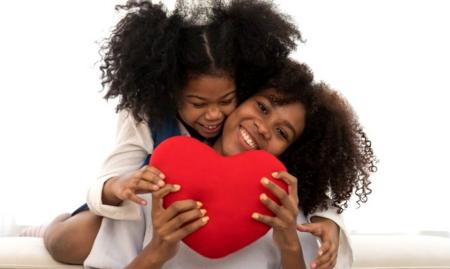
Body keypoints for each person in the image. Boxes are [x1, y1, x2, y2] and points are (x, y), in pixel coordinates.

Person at [41, 0, 349, 266]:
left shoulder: (279, 193)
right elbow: (111, 177)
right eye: (263, 108)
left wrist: (329, 221)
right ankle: (48, 225)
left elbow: (316, 188)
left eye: (225, 100)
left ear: (238, 90)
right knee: (69, 240)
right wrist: (122, 188)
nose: (214, 114)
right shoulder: (147, 120)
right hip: (126, 191)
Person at [84, 60, 377, 269]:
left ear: (293, 152)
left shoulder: (288, 214)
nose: (263, 128)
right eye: (261, 107)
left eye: (282, 132)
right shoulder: (154, 183)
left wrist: (289, 246)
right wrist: (159, 250)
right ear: (236, 99)